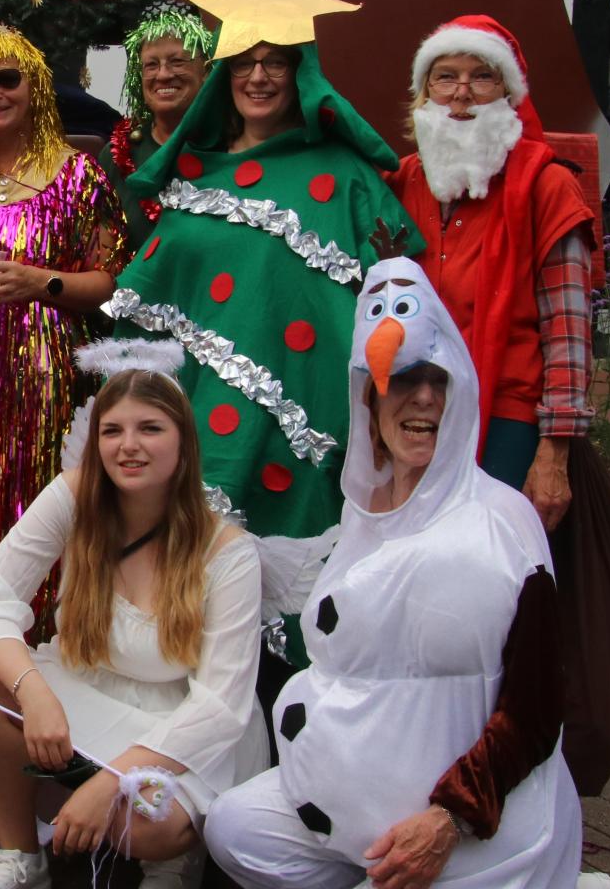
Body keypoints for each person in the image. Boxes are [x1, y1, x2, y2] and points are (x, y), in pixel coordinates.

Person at [204, 254, 583, 889]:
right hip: (345, 805)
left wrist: (450, 818)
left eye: (438, 380)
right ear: (370, 399)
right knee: (235, 828)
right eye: (403, 380)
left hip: (465, 821)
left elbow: (537, 709)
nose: (424, 398)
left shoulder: (503, 521)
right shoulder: (358, 515)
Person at [107, 0, 418, 675]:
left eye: (274, 63)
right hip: (205, 420)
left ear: (300, 72)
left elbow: (397, 296)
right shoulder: (198, 177)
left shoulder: (345, 176)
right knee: (201, 570)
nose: (258, 78)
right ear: (224, 75)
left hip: (309, 416)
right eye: (244, 64)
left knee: (300, 581)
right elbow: (150, 305)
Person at [0, 365, 267, 889]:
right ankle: (21, 857)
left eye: (151, 429)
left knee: (149, 828)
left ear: (184, 442)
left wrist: (113, 782)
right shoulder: (74, 496)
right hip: (87, 687)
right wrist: (34, 695)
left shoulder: (228, 551)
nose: (128, 446)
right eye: (112, 430)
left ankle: (173, 858)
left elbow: (220, 705)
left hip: (176, 722)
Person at [388, 17, 595, 531]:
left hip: (506, 414)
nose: (461, 95)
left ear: (508, 94)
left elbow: (568, 332)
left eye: (482, 77)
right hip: (408, 411)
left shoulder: (547, 187)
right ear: (424, 94)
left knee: (487, 567)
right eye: (445, 77)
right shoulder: (400, 181)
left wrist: (555, 452)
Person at [0, 24, 128, 535]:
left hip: (50, 382)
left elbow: (110, 284)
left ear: (35, 88)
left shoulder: (78, 177)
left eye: (6, 78)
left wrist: (40, 282)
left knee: (48, 514)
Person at [98, 0, 218, 245]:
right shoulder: (117, 155)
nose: (163, 75)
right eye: (151, 65)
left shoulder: (231, 147)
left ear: (205, 71)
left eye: (177, 62)